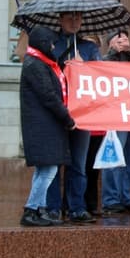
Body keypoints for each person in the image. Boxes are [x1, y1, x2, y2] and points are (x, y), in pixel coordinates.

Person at [45, 11, 101, 224]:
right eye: (70, 17)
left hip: (81, 114)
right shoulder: (51, 45)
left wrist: (84, 68)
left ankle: (76, 207)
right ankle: (52, 207)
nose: (74, 22)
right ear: (60, 20)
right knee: (54, 163)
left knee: (78, 163)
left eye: (78, 18)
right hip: (57, 113)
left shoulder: (89, 48)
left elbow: (100, 76)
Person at [19, 26, 76, 227]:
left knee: (44, 170)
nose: (53, 46)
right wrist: (67, 119)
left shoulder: (39, 63)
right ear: (43, 43)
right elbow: (49, 97)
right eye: (51, 42)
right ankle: (31, 209)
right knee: (49, 170)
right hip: (43, 127)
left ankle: (39, 209)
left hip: (45, 126)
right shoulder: (35, 65)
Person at [101, 30, 130, 215]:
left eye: (126, 36)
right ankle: (111, 199)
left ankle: (125, 197)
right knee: (114, 159)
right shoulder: (105, 60)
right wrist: (113, 55)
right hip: (115, 116)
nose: (125, 39)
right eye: (120, 37)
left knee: (129, 159)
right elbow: (102, 76)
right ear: (111, 42)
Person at [82, 34, 104, 217]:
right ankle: (76, 204)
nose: (92, 50)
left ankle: (92, 204)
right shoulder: (77, 68)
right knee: (80, 167)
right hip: (82, 126)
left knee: (93, 168)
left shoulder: (102, 72)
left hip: (99, 127)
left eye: (94, 46)